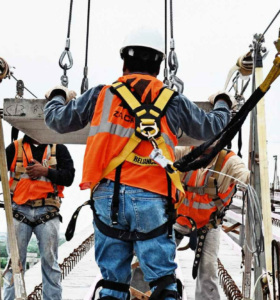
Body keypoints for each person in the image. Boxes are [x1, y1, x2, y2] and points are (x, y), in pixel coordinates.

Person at [44, 27, 233, 300]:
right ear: (158, 65)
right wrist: (222, 103)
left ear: (124, 62)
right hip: (152, 195)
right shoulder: (172, 101)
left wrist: (58, 95)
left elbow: (58, 120)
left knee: (113, 284)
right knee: (163, 282)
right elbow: (212, 127)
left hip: (107, 197)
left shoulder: (102, 94)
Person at [2, 134, 75, 300]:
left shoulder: (58, 149)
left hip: (47, 212)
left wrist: (46, 171)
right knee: (15, 264)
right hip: (19, 210)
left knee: (50, 264)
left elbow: (69, 177)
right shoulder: (15, 148)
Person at [174, 146, 250, 300]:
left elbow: (245, 177)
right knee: (158, 260)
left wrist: (256, 172)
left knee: (208, 268)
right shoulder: (184, 152)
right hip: (178, 220)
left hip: (208, 225)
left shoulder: (229, 162)